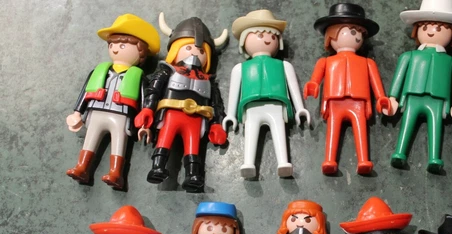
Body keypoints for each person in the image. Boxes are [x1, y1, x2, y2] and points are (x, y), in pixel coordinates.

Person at [135, 14, 228, 192]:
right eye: (188, 47)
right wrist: (148, 109)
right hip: (170, 115)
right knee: (164, 139)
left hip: (196, 119)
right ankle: (157, 167)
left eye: (201, 51)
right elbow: (153, 89)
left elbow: (217, 105)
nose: (194, 53)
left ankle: (193, 175)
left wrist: (217, 124)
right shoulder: (167, 71)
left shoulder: (208, 80)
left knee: (193, 147)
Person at [66, 14, 160, 189]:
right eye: (112, 45)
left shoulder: (138, 76)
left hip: (121, 115)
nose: (115, 49)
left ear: (140, 52)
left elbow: (145, 99)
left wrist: (144, 124)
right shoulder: (100, 70)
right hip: (96, 111)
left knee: (119, 142)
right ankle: (82, 168)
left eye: (122, 45)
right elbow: (85, 91)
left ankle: (116, 174)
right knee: (90, 139)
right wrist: (77, 112)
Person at [304, 3, 393, 175]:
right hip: (334, 101)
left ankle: (363, 160)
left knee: (361, 129)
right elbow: (316, 78)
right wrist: (313, 84)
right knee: (333, 129)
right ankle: (329, 160)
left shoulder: (368, 62)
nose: (356, 36)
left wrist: (381, 97)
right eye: (352, 32)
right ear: (331, 36)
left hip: (358, 101)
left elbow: (375, 82)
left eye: (359, 33)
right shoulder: (325, 61)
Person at [388, 0, 452, 173]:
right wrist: (392, 98)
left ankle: (434, 157)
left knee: (436, 127)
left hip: (438, 100)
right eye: (425, 27)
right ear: (417, 31)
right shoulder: (408, 56)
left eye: (440, 28)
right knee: (407, 124)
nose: (431, 31)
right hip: (412, 97)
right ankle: (400, 152)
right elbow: (399, 77)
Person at [224, 10, 310, 179]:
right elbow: (234, 91)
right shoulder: (240, 68)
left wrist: (300, 108)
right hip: (250, 106)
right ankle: (248, 164)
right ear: (244, 41)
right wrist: (230, 114)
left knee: (279, 131)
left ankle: (283, 163)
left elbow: (293, 87)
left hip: (277, 104)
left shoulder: (284, 65)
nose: (267, 39)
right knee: (251, 133)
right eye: (260, 35)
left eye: (272, 36)